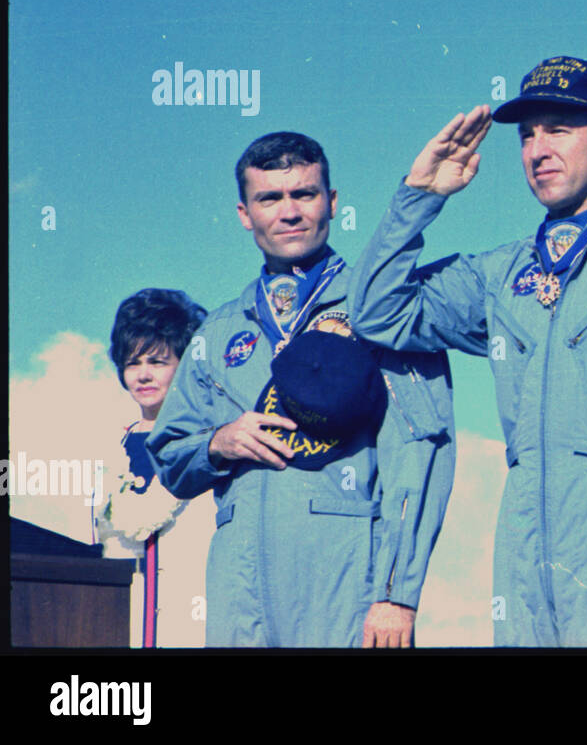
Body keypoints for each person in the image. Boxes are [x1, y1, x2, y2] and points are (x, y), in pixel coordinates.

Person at [348, 56, 587, 646]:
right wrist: (419, 195)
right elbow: (375, 312)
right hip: (523, 528)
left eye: (560, 128)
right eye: (527, 135)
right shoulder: (502, 274)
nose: (538, 149)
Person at [146, 132, 455, 647]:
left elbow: (419, 458)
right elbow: (170, 455)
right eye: (269, 198)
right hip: (238, 587)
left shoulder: (381, 310)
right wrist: (218, 443)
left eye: (304, 194)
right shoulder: (219, 333)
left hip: (346, 584)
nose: (288, 212)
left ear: (332, 203)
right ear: (245, 213)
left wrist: (396, 593)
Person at [94, 288, 208, 647]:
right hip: (122, 623)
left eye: (157, 362)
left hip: (192, 625)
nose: (143, 375)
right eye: (132, 363)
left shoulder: (209, 446)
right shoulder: (112, 450)